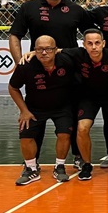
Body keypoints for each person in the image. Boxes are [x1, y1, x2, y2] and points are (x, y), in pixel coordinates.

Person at [57, 29, 108, 180]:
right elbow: (53, 51)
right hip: (88, 98)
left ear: (103, 43)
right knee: (82, 128)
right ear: (84, 45)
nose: (94, 47)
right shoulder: (77, 54)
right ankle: (87, 165)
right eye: (89, 43)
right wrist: (31, 53)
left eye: (97, 43)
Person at [8, 36, 76, 186]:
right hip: (34, 107)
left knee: (64, 133)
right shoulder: (25, 65)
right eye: (39, 49)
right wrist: (23, 110)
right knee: (25, 134)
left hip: (62, 106)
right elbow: (13, 87)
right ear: (34, 50)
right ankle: (31, 169)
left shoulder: (67, 60)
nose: (44, 52)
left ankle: (59, 167)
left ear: (55, 50)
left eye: (48, 49)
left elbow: (83, 52)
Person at [8, 0, 92, 61]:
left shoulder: (76, 9)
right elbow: (14, 36)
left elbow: (93, 36)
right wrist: (19, 65)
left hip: (69, 64)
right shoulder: (29, 7)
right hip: (39, 64)